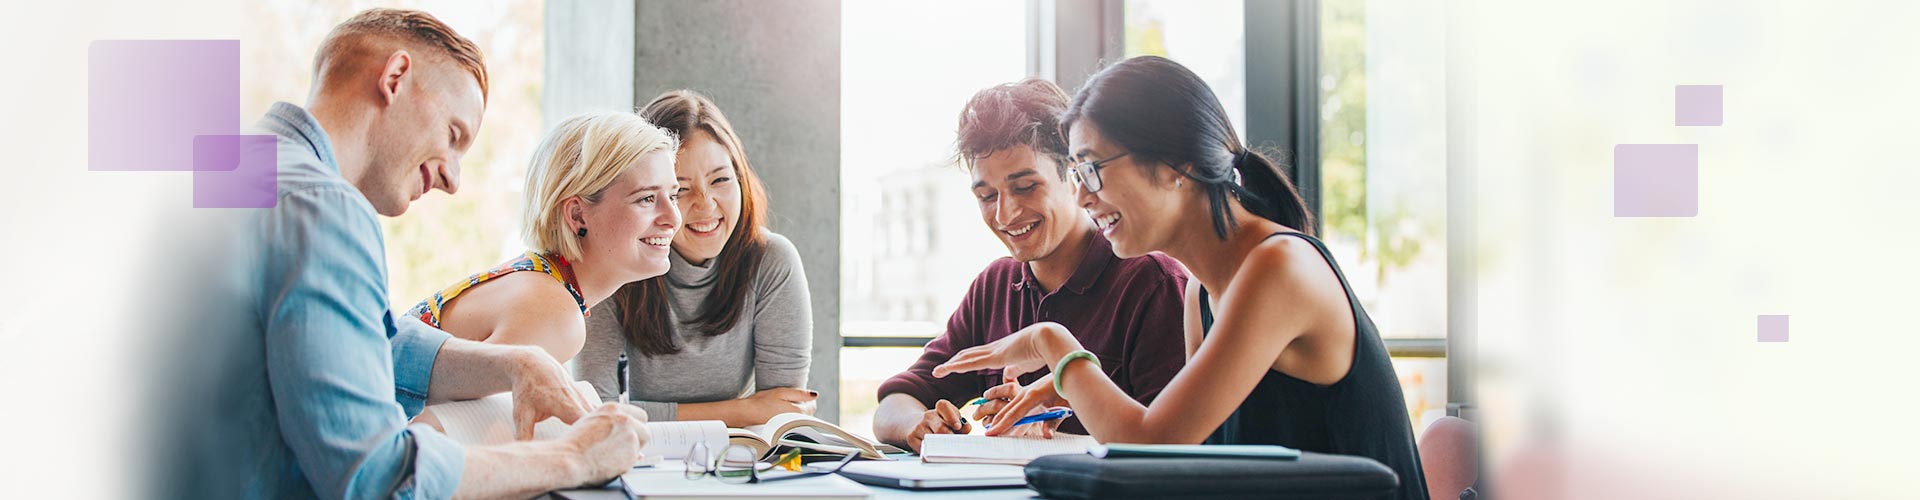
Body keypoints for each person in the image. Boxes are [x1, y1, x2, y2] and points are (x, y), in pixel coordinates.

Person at [153, 9, 647, 499]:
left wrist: (514, 364)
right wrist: (574, 457)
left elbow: (354, 338)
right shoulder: (324, 208)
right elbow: (379, 477)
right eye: (454, 135)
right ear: (395, 77)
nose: (453, 179)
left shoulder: (235, 168)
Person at [931, 56, 1431, 500]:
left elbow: (1152, 444)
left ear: (1176, 165)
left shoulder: (1278, 268)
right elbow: (1188, 461)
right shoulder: (1202, 292)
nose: (1083, 197)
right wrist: (1070, 390)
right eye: (1078, 175)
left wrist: (1054, 345)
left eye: (1092, 170)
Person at [870, 79, 1189, 453]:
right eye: (987, 196)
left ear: (1074, 176)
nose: (1005, 214)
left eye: (1025, 188)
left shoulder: (1152, 283)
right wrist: (918, 425)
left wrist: (1061, 415)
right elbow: (895, 402)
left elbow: (1169, 447)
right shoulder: (995, 286)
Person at [575, 90, 817, 427]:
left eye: (720, 179)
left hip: (740, 459)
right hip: (639, 460)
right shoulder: (615, 261)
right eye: (680, 190)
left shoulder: (771, 260)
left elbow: (782, 411)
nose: (705, 204)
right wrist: (743, 410)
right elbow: (596, 410)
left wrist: (755, 412)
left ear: (741, 179)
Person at [405, 111, 682, 366]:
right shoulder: (554, 314)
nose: (674, 218)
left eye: (673, 196)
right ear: (577, 215)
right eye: (646, 198)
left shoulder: (543, 283)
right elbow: (439, 419)